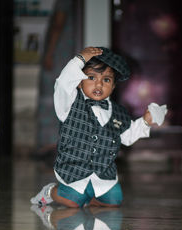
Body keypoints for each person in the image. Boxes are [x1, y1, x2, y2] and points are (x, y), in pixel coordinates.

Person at [31, 46, 167, 208]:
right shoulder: (68, 103)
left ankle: (88, 198)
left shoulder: (118, 112)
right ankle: (50, 192)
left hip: (103, 176)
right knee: (72, 201)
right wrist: (79, 60)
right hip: (74, 173)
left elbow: (128, 136)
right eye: (91, 77)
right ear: (79, 82)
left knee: (114, 201)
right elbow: (63, 83)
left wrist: (145, 121)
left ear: (114, 86)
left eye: (106, 80)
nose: (99, 84)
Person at [34, 0, 76, 159]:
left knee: (51, 95)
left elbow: (58, 24)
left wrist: (50, 52)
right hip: (70, 53)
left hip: (60, 52)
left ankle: (51, 142)